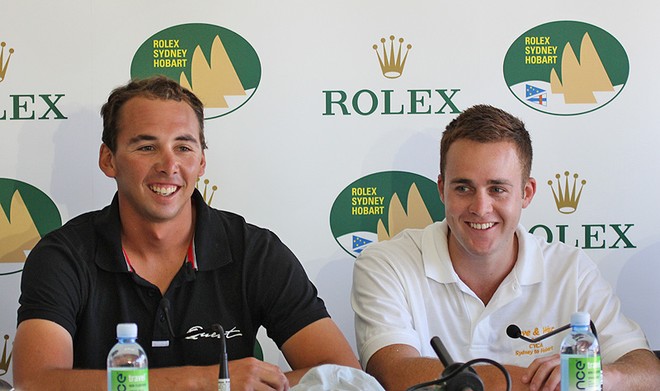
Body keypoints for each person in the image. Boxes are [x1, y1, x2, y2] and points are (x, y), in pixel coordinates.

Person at [13, 76, 360, 390]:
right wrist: (204, 380)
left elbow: (343, 373)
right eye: (146, 147)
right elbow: (36, 383)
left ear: (202, 162)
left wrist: (259, 382)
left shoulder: (255, 250)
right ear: (109, 160)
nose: (169, 165)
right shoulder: (63, 254)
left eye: (183, 147)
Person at [351, 104, 660, 391]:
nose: (481, 208)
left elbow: (647, 370)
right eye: (463, 188)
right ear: (441, 190)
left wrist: (598, 377)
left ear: (526, 193)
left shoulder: (571, 269)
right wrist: (554, 383)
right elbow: (393, 371)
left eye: (497, 189)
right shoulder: (385, 264)